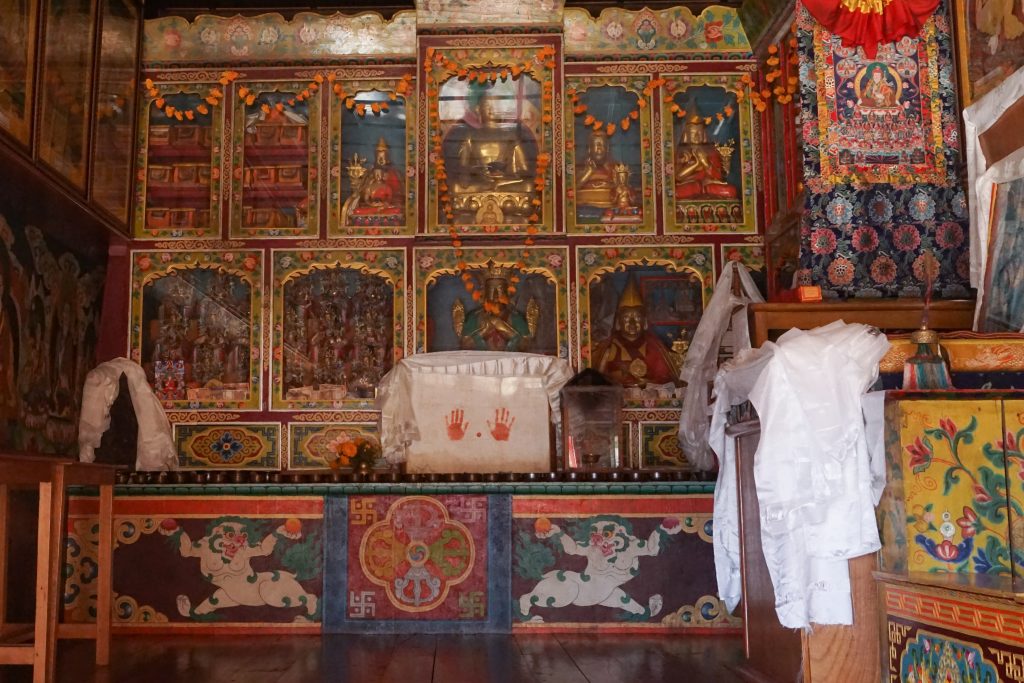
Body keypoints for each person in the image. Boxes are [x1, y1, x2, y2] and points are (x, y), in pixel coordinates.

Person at [444, 86, 538, 201]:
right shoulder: (471, 136)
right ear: (478, 110)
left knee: (527, 186)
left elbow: (523, 169)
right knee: (456, 187)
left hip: (505, 181)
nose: (492, 109)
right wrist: (477, 171)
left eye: (497, 105)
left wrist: (504, 176)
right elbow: (463, 167)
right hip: (480, 181)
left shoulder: (510, 135)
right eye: (488, 106)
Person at [594, 275, 682, 387]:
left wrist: (647, 383)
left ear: (644, 322)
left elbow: (664, 378)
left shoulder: (654, 346)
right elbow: (598, 380)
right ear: (618, 323)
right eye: (626, 318)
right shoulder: (608, 347)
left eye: (637, 318)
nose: (631, 323)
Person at [453, 263, 537, 352]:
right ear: (484, 293)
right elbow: (465, 344)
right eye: (491, 290)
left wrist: (506, 329)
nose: (496, 295)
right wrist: (484, 331)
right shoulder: (474, 317)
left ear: (507, 293)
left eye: (500, 290)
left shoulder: (515, 317)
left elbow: (526, 344)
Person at [674, 115, 738, 200]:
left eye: (699, 133)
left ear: (704, 134)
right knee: (676, 192)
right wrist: (696, 164)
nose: (696, 136)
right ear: (686, 135)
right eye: (693, 133)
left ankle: (703, 189)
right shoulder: (681, 151)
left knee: (731, 191)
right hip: (691, 185)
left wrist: (706, 163)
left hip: (709, 185)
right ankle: (702, 189)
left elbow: (718, 176)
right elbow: (678, 176)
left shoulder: (711, 151)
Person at [342, 137, 403, 224]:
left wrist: (385, 204)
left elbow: (397, 196)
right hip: (371, 206)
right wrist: (370, 202)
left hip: (386, 207)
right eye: (378, 156)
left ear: (387, 156)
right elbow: (364, 195)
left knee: (396, 211)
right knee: (358, 211)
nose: (381, 159)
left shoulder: (393, 173)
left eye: (383, 156)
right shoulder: (370, 173)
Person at [576, 129, 633, 209]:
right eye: (595, 145)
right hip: (584, 207)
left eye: (602, 145)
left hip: (609, 208)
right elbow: (572, 189)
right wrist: (588, 173)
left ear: (607, 148)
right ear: (589, 148)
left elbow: (622, 190)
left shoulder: (615, 169)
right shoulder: (581, 167)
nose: (599, 148)